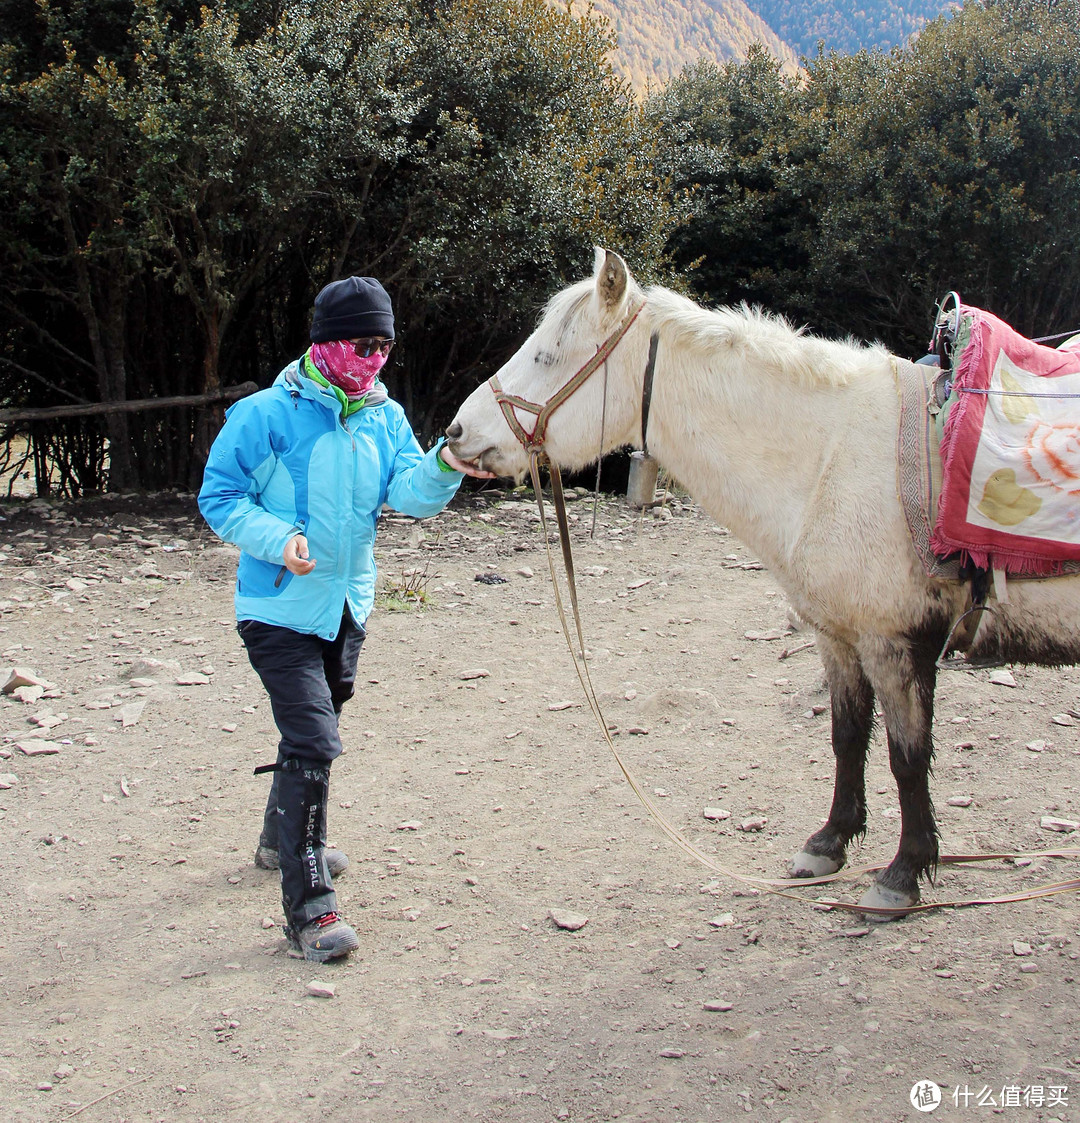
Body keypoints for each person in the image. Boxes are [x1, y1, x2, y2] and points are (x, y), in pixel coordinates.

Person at [198, 276, 492, 962]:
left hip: (348, 606)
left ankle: (280, 840)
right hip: (277, 610)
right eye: (364, 343)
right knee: (315, 739)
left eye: (386, 345)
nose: (375, 358)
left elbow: (409, 495)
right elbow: (219, 496)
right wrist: (277, 539)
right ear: (326, 342)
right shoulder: (264, 414)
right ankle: (310, 906)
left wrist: (445, 461)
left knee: (319, 723)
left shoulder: (384, 417)